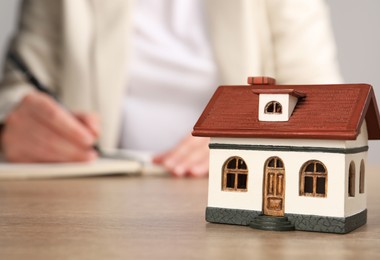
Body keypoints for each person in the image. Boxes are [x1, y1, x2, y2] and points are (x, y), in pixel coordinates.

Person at [0, 0, 342, 177]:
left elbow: (323, 107)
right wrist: (11, 125)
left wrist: (252, 135)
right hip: (90, 203)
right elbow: (17, 88)